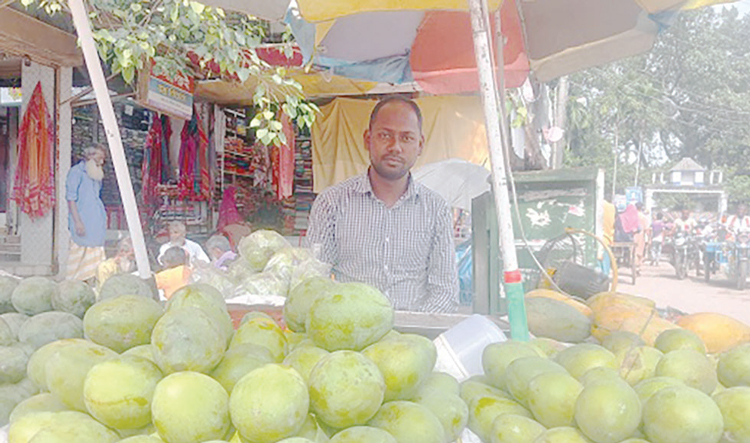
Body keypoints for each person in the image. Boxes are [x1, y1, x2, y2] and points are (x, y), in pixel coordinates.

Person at [306, 96, 459, 313]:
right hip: (350, 333)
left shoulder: (436, 209)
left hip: (414, 336)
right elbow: (313, 279)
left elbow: (445, 291)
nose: (395, 147)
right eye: (385, 135)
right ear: (368, 139)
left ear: (420, 145)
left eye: (406, 138)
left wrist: (411, 330)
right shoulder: (331, 203)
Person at [66, 145, 108, 283]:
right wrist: (78, 222)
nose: (101, 162)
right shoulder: (76, 172)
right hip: (82, 219)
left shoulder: (95, 173)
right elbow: (71, 199)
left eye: (103, 159)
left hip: (96, 220)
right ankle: (73, 284)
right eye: (99, 158)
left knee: (96, 253)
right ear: (89, 156)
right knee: (79, 253)